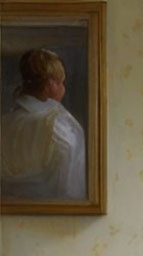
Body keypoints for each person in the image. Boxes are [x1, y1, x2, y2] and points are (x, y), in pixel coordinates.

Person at [1, 48, 86, 201]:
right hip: (56, 213)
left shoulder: (4, 123)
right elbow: (71, 186)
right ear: (50, 84)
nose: (63, 87)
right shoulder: (61, 125)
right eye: (61, 82)